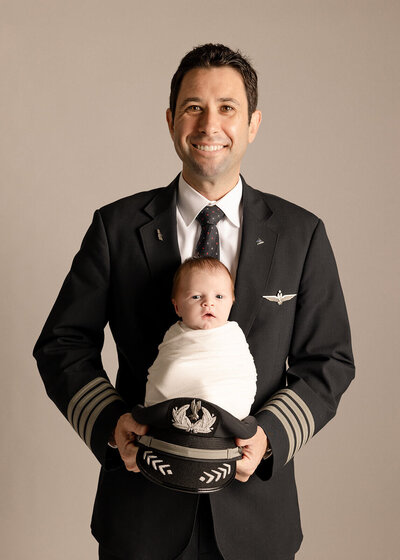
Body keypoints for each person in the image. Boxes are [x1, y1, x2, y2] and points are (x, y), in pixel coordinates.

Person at [33, 43, 355, 560]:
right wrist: (112, 424)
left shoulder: (301, 235)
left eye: (227, 107)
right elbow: (61, 344)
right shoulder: (116, 229)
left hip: (257, 519)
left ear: (253, 124)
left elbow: (330, 360)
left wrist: (268, 437)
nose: (210, 125)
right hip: (140, 515)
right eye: (193, 107)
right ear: (170, 120)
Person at [144, 256, 257, 420]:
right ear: (177, 307)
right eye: (196, 297)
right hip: (169, 419)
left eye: (219, 297)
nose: (208, 303)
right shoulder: (174, 336)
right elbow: (161, 376)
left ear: (232, 302)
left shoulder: (234, 337)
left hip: (226, 421)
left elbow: (244, 376)